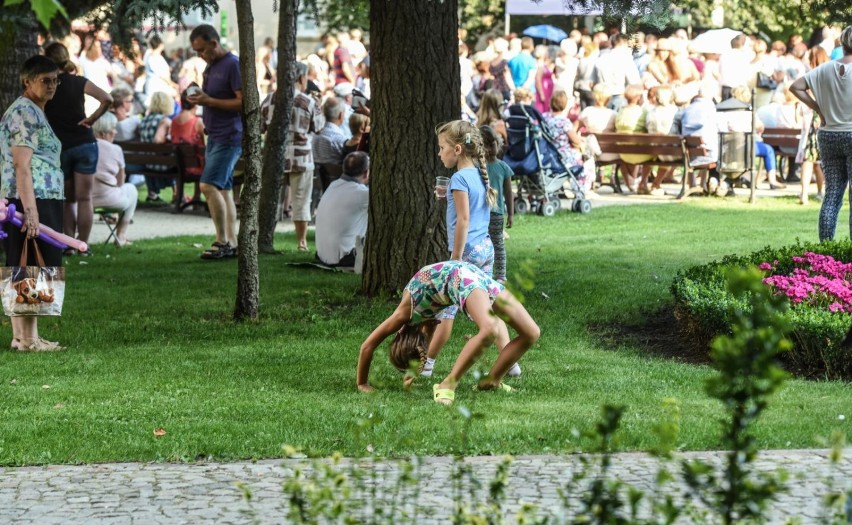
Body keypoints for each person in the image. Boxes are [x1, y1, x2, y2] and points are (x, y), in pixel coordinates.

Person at [355, 260, 540, 405]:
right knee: (524, 331)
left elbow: (367, 346)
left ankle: (455, 383)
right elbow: (428, 332)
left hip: (460, 276)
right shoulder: (422, 322)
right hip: (466, 274)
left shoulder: (403, 314)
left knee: (523, 331)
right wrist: (413, 371)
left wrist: (361, 383)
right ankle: (487, 381)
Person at [422, 121, 520, 380]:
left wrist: (455, 258)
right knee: (487, 308)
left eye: (441, 148)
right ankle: (511, 363)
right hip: (485, 248)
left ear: (456, 149)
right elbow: (474, 211)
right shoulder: (478, 174)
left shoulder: (458, 177)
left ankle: (427, 364)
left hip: (466, 254)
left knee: (446, 310)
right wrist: (448, 198)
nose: (439, 153)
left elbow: (463, 220)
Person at [0, 55, 65, 351]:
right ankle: (27, 339)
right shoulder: (25, 111)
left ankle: (25, 337)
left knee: (26, 263)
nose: (52, 85)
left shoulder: (32, 110)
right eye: (45, 80)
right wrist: (32, 211)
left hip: (37, 196)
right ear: (28, 82)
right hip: (31, 197)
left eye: (55, 79)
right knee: (29, 264)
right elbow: (21, 165)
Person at [43, 42, 113, 257]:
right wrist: (92, 118)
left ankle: (68, 244)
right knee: (85, 198)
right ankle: (84, 245)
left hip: (61, 147)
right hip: (85, 143)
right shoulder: (79, 82)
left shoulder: (46, 85)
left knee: (68, 199)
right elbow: (107, 98)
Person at [187, 24, 244, 260]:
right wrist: (198, 95)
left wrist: (208, 100)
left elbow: (242, 102)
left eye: (202, 49)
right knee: (223, 189)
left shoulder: (233, 64)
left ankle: (222, 241)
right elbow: (212, 98)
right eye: (196, 52)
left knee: (207, 185)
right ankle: (231, 241)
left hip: (229, 135)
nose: (200, 55)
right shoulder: (210, 67)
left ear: (213, 43)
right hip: (215, 134)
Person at [790, 26, 852, 241]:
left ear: (842, 44)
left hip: (828, 136)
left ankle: (826, 247)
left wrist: (819, 108)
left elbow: (796, 87)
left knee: (832, 193)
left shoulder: (824, 69)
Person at [284, 61, 324, 251]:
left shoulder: (269, 99)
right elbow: (319, 127)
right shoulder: (308, 102)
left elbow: (260, 127)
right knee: (301, 199)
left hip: (277, 156)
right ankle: (301, 241)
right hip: (301, 157)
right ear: (301, 78)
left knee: (272, 198)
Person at [314, 152, 369, 268]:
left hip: (322, 256)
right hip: (345, 258)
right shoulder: (362, 194)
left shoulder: (333, 185)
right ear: (366, 173)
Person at [91, 112, 137, 247]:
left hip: (83, 202)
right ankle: (121, 235)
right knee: (131, 189)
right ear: (104, 132)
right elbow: (120, 181)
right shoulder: (116, 149)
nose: (116, 132)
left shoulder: (84, 148)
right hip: (111, 200)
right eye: (113, 128)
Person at [479, 125, 514, 283]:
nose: (489, 148)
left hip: (496, 213)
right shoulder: (476, 167)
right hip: (480, 213)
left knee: (497, 244)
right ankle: (482, 272)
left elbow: (508, 193)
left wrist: (511, 214)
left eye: (492, 144)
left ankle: (500, 275)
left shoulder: (503, 167)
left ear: (497, 144)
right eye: (485, 145)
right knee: (480, 245)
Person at [171, 87, 206, 205]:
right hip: (197, 167)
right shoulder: (197, 122)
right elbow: (205, 144)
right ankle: (197, 196)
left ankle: (180, 196)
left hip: (178, 165)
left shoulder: (174, 121)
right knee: (201, 156)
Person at [138, 91, 174, 202]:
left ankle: (152, 194)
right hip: (161, 164)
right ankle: (178, 195)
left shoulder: (143, 120)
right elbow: (158, 140)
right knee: (178, 160)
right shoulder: (165, 120)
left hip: (146, 162)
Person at [312, 97, 348, 191]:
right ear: (341, 115)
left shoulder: (314, 136)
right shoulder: (340, 140)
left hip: (317, 184)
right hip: (338, 186)